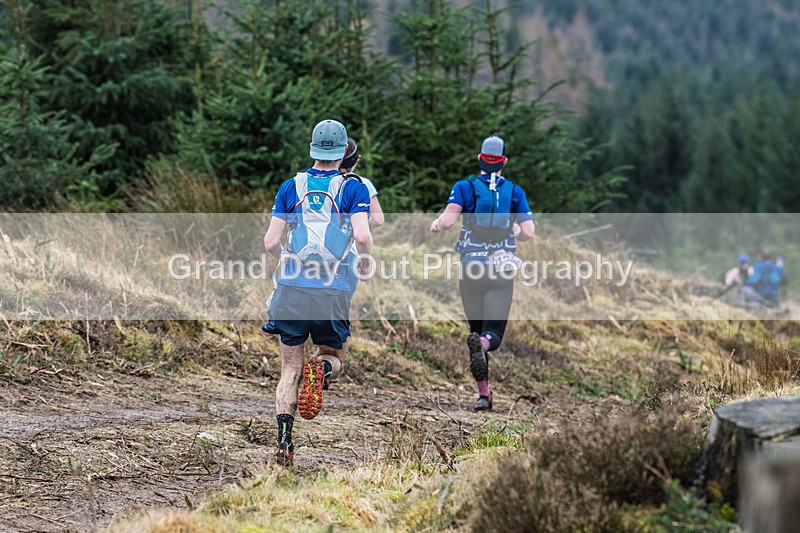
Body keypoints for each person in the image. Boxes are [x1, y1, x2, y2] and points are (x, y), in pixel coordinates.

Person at [262, 119, 373, 466]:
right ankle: (322, 370)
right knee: (334, 356)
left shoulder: (290, 186)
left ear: (312, 149)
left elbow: (270, 242)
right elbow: (365, 236)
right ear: (342, 153)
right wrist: (365, 262)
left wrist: (290, 263)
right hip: (332, 290)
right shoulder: (353, 188)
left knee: (288, 372)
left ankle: (283, 444)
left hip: (291, 291)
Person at [430, 135, 534, 411]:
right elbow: (528, 233)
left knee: (474, 331)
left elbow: (449, 220)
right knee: (491, 336)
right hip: (501, 269)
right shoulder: (514, 191)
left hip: (471, 269)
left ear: (480, 158)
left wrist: (437, 224)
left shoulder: (464, 187)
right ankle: (484, 346)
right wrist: (514, 231)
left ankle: (483, 395)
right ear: (504, 162)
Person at [340, 138, 384, 299]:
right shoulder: (362, 184)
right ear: (356, 159)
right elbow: (378, 219)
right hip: (349, 254)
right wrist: (359, 224)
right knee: (340, 311)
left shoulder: (318, 182)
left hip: (315, 252)